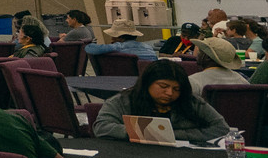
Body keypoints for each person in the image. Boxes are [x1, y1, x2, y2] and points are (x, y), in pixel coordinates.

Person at [94, 60, 228, 142]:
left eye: (176, 89)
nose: (169, 93)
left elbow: (221, 128)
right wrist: (145, 133)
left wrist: (173, 135)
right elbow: (101, 127)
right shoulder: (123, 100)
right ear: (147, 83)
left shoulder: (191, 102)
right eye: (163, 87)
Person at [85, 25, 160, 70]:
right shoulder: (148, 47)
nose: (111, 38)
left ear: (119, 37)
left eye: (113, 36)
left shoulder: (118, 47)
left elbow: (90, 48)